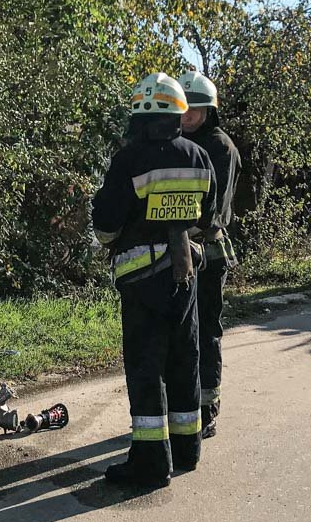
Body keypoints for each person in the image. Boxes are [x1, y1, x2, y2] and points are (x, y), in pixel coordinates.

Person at [91, 72, 218, 488]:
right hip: (186, 276)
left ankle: (150, 462)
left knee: (147, 368)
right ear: (179, 113)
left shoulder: (129, 160)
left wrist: (117, 238)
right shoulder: (199, 157)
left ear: (138, 117)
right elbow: (208, 221)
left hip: (141, 279)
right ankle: (187, 449)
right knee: (184, 360)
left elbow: (106, 224)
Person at [177, 70, 241, 439]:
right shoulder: (175, 143)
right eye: (182, 110)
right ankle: (183, 406)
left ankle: (207, 408)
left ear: (208, 112)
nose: (187, 117)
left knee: (206, 332)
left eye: (194, 111)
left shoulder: (221, 148)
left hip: (208, 252)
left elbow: (212, 211)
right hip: (178, 251)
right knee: (182, 334)